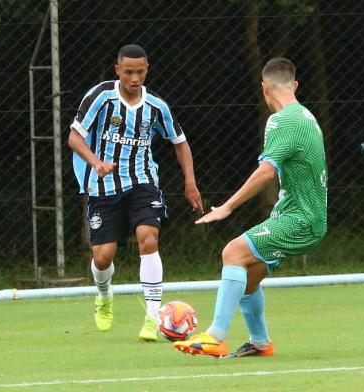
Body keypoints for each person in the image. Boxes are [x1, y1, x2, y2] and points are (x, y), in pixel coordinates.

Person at [174, 57, 328, 357]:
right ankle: (260, 343)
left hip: (301, 219)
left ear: (263, 88)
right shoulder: (306, 116)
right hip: (305, 217)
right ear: (294, 85)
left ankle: (216, 336)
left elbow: (266, 171)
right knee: (247, 277)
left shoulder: (282, 121)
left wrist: (227, 207)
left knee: (232, 252)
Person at [68, 44, 203, 341]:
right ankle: (104, 294)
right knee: (103, 257)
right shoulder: (101, 97)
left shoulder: (156, 106)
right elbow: (74, 137)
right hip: (103, 186)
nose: (134, 78)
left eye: (140, 72)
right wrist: (96, 163)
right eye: (128, 72)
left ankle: (153, 316)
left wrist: (189, 181)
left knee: (148, 238)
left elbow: (179, 142)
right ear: (117, 70)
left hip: (143, 181)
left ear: (147, 69)